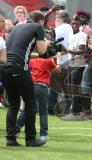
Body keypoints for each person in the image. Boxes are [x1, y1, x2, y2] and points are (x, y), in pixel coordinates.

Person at [1, 10, 51, 147]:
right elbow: (42, 51)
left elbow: (24, 53)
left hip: (4, 68)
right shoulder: (38, 27)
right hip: (18, 68)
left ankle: (10, 139)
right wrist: (48, 43)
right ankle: (30, 139)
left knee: (13, 104)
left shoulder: (18, 27)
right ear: (41, 21)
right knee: (31, 104)